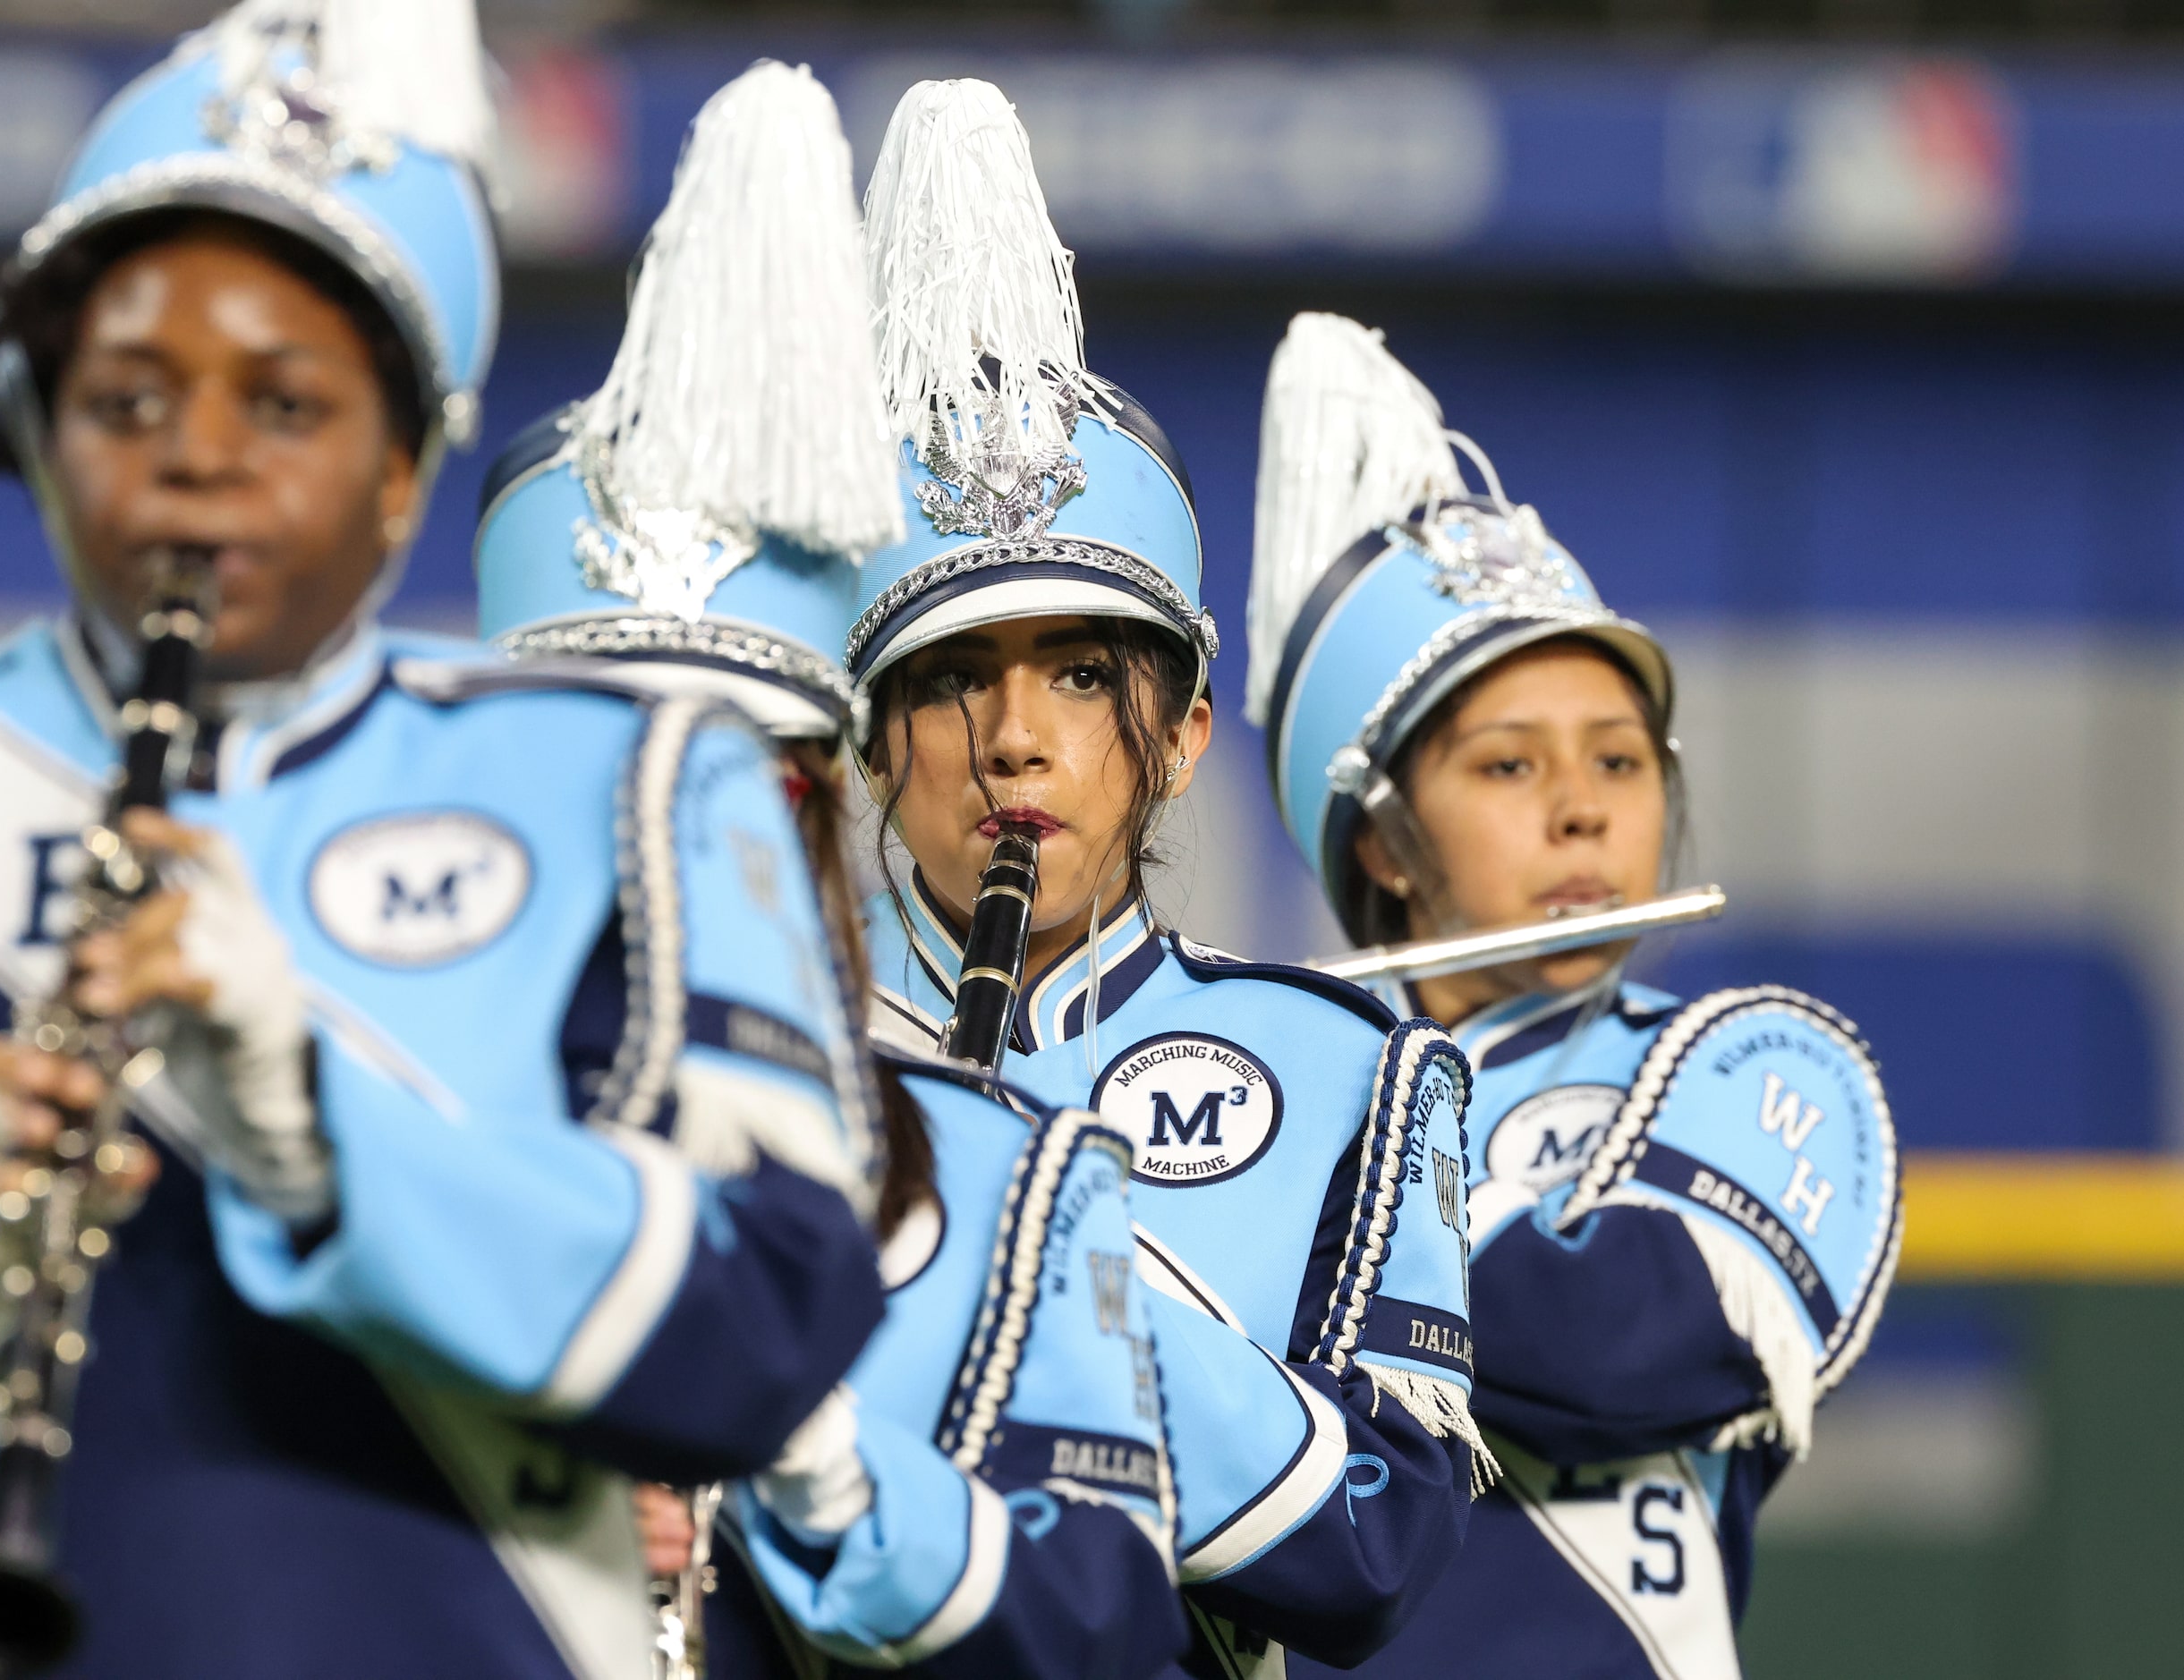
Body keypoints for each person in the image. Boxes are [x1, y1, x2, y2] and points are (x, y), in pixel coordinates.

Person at [0, 6, 886, 1675]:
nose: (201, 462)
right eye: (128, 396)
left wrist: (322, 1136)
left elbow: (776, 1317)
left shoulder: (633, 782)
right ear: (30, 426)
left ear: (404, 468)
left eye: (288, 403)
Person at [478, 61, 1187, 1676]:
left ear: (810, 796)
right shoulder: (365, 1112)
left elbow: (1100, 1625)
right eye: (599, 754)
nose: (654, 824)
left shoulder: (1008, 1175)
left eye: (722, 775)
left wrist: (819, 1475)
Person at [848, 80, 1485, 1676]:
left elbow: (1368, 1550)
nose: (1011, 739)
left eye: (1077, 675)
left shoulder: (1352, 1075)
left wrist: (1041, 1230)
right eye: (946, 681)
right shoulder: (747, 1062)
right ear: (869, 743)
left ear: (1183, 733)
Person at [1245, 312, 1903, 1679]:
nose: (1579, 812)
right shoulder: (1271, 1087)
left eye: (1618, 761)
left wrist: (1268, 1201)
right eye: (1506, 766)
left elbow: (1625, 1341)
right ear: (1376, 838)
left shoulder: (1753, 1065)